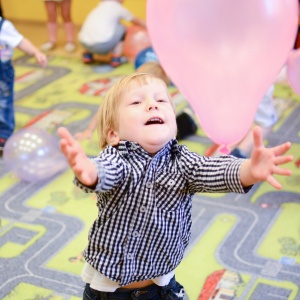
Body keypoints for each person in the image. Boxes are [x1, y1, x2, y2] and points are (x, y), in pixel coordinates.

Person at [57, 73, 293, 299]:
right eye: (137, 102)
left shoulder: (183, 162)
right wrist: (89, 171)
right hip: (107, 290)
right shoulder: (118, 158)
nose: (153, 105)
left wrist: (249, 170)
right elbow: (105, 171)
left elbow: (213, 170)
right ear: (113, 134)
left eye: (161, 100)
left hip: (160, 287)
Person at [74, 62, 197, 141]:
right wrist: (89, 130)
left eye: (158, 97)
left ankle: (186, 121)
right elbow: (103, 111)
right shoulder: (123, 92)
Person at [0, 16, 47, 155]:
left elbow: (20, 41)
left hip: (2, 71)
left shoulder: (3, 26)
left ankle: (3, 133)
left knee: (3, 102)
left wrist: (36, 52)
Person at [78, 0, 146, 66]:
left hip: (84, 43)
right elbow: (136, 21)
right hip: (102, 46)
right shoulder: (117, 7)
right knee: (123, 28)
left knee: (94, 28)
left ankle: (87, 54)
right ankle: (116, 56)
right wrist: (149, 26)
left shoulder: (99, 7)